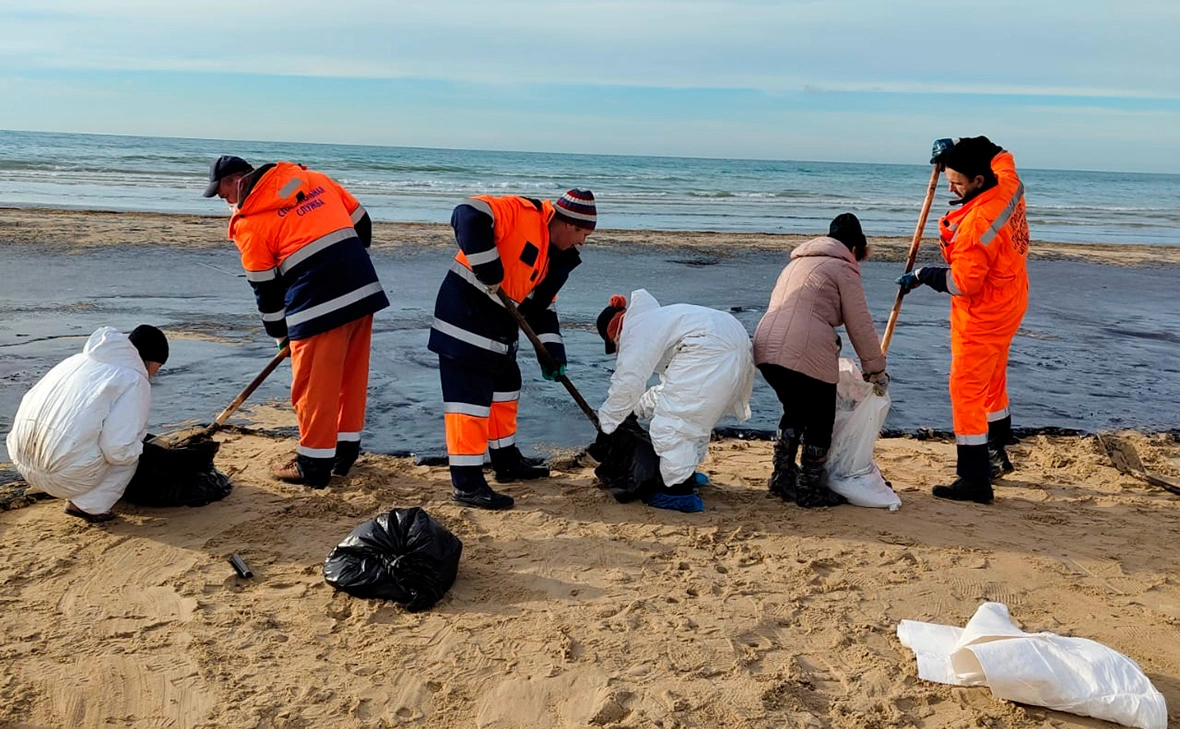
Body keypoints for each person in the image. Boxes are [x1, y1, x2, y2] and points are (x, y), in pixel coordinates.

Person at [203, 155, 389, 489]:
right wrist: (348, 265)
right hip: (362, 288)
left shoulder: (249, 223)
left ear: (236, 180)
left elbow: (266, 290)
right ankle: (344, 454)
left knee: (313, 386)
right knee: (350, 375)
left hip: (317, 302)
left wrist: (280, 336)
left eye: (222, 191)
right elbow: (362, 222)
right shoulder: (314, 179)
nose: (222, 199)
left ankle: (313, 465)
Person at [428, 189, 596, 510]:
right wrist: (487, 265)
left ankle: (505, 461)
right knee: (470, 403)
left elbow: (542, 310)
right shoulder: (522, 214)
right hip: (464, 318)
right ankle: (467, 483)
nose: (582, 243)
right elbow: (468, 213)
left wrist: (552, 354)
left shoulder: (554, 256)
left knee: (507, 386)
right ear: (568, 224)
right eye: (582, 235)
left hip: (499, 331)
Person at [896, 137, 1029, 504]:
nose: (949, 187)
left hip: (983, 313)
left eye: (956, 181)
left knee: (966, 389)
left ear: (978, 182)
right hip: (1011, 298)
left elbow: (963, 283)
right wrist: (956, 147)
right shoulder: (1009, 185)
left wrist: (923, 274)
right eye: (947, 176)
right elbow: (1000, 152)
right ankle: (996, 453)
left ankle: (975, 479)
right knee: (992, 379)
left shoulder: (975, 227)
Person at [753, 213, 889, 508]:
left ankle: (783, 476)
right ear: (855, 248)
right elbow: (860, 323)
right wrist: (875, 369)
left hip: (765, 347)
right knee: (820, 418)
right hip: (804, 349)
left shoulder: (797, 262)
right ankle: (810, 486)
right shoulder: (842, 267)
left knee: (795, 409)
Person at [595, 289, 755, 513]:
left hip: (710, 348)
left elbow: (627, 381)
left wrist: (609, 421)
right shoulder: (661, 320)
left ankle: (678, 491)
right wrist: (635, 410)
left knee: (673, 425)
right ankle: (686, 473)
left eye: (614, 345)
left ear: (615, 331)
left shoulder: (635, 329)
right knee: (695, 419)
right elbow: (670, 389)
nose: (618, 351)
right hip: (736, 343)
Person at [6, 326, 169, 522]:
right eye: (158, 365)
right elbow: (117, 448)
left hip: (21, 462)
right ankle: (88, 506)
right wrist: (141, 450)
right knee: (127, 453)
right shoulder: (133, 380)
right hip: (61, 477)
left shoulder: (75, 361)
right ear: (149, 359)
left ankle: (78, 492)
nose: (157, 373)